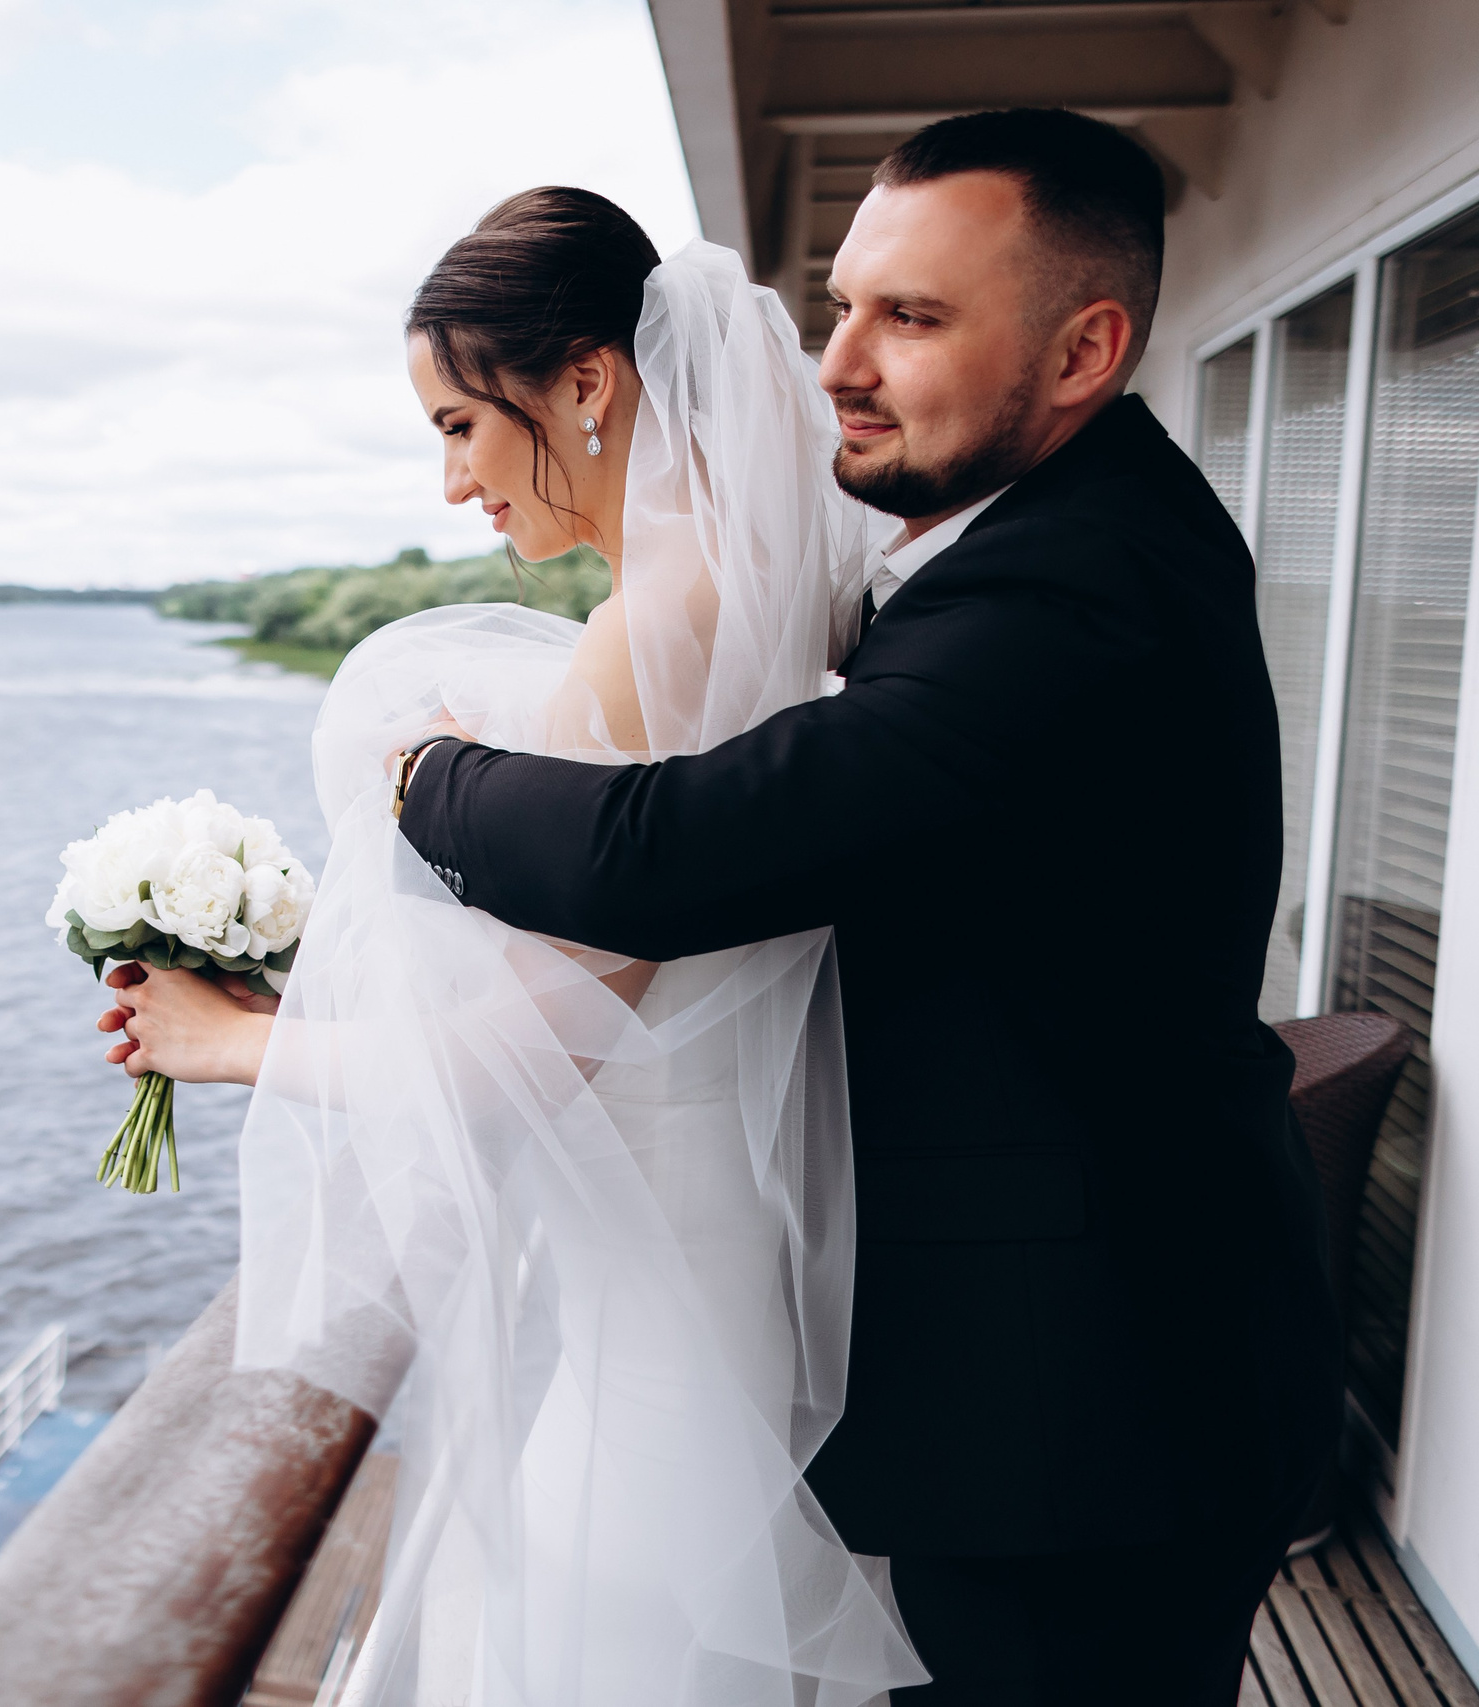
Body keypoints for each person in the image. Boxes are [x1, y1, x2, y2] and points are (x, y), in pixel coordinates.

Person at [388, 111, 1344, 1704]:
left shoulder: (1076, 585)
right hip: (1057, 1379)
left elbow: (670, 854)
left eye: (911, 318)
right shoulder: (1017, 539)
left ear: (1083, 349)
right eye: (842, 305)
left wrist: (421, 769)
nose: (837, 362)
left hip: (1097, 1421)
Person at [102, 187, 925, 1706]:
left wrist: (233, 1043)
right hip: (698, 1265)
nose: (451, 482)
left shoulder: (655, 627)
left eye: (461, 425)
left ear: (588, 384)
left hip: (657, 1316)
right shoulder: (748, 595)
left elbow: (537, 1045)